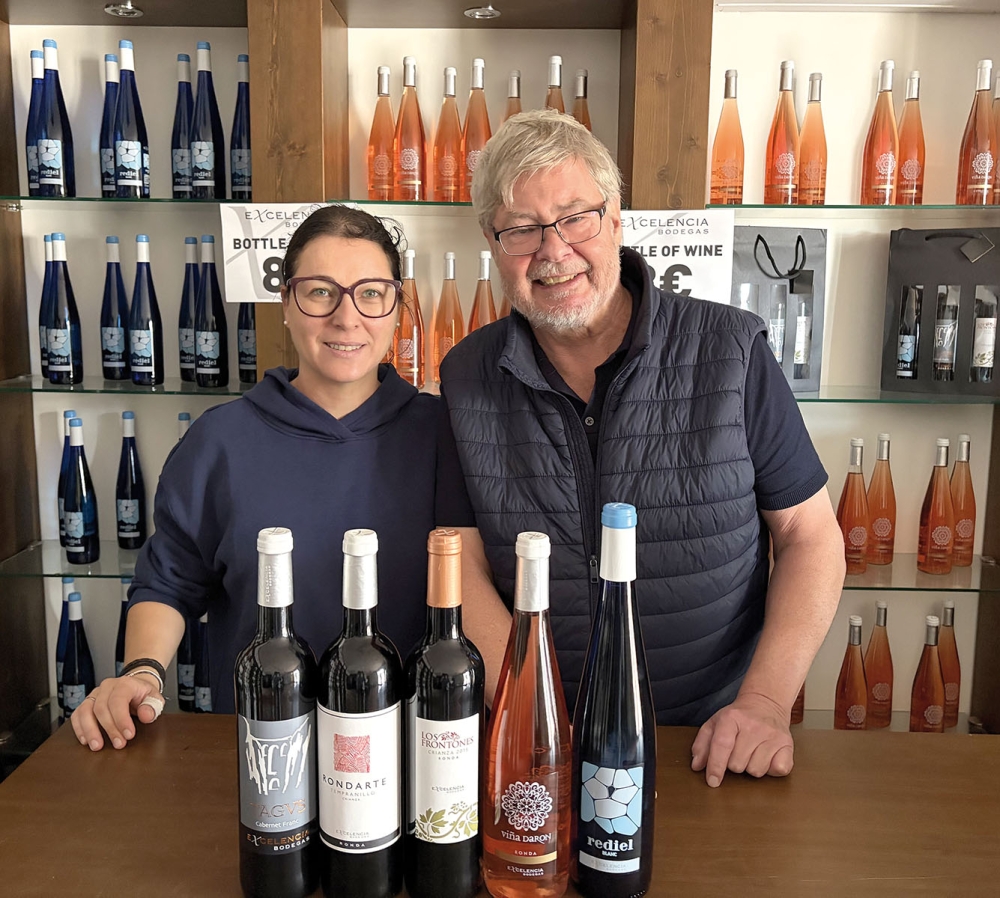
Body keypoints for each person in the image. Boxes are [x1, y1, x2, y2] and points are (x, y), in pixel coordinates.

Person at [436, 109, 845, 787]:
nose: (553, 250)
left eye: (575, 217)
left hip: (710, 741)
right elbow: (459, 555)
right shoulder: (466, 374)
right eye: (522, 229)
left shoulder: (732, 349)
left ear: (616, 219)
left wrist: (766, 703)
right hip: (539, 746)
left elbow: (810, 534)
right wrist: (529, 707)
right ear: (492, 242)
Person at [72, 205, 440, 751]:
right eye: (320, 292)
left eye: (370, 293)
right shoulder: (221, 441)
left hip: (415, 755)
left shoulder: (442, 436)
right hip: (260, 751)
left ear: (397, 306)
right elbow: (169, 581)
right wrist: (142, 672)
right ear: (285, 303)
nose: (347, 317)